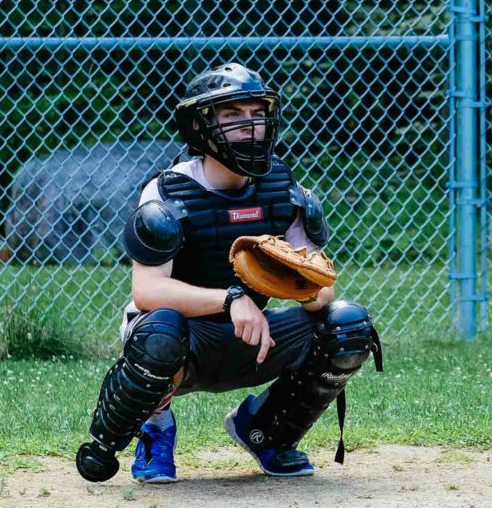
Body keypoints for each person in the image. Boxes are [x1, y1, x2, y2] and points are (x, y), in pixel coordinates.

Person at [74, 63, 380, 484]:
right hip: (183, 341)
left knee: (348, 325)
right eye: (232, 115)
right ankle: (154, 429)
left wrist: (303, 288)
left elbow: (322, 288)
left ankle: (267, 431)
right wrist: (232, 299)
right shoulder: (168, 191)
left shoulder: (280, 186)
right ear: (203, 126)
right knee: (160, 332)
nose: (248, 126)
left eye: (255, 113)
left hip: (254, 338)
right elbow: (147, 291)